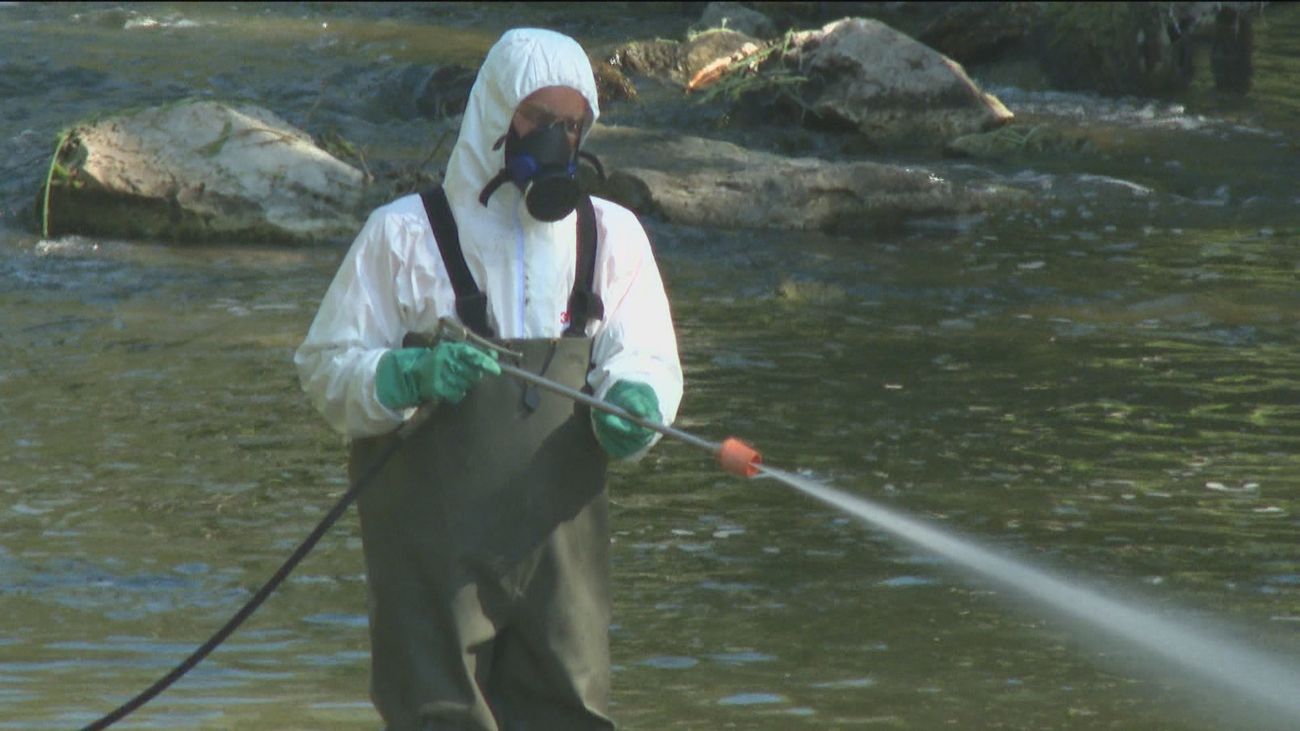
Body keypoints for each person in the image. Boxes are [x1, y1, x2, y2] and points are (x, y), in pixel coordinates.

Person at [294, 27, 683, 731]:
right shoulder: (404, 236)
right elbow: (325, 367)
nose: (558, 141)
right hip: (432, 557)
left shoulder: (612, 237)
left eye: (574, 125)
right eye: (539, 121)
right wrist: (403, 374)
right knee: (437, 712)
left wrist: (635, 400)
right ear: (496, 115)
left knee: (571, 709)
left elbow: (648, 352)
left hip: (560, 552)